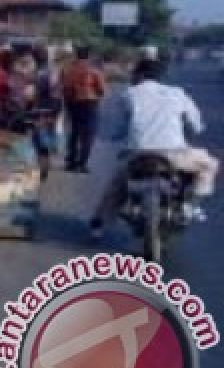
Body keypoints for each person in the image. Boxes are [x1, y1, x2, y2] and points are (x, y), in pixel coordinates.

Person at [90, 59, 218, 239]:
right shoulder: (177, 93)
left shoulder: (129, 94)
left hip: (140, 154)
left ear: (139, 75)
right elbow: (196, 125)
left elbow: (116, 130)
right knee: (209, 165)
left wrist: (118, 139)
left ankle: (98, 224)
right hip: (174, 154)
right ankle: (191, 205)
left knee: (117, 185)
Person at [61, 45, 106, 172]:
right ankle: (82, 163)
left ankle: (71, 161)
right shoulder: (94, 70)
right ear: (88, 55)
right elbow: (102, 89)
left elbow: (65, 87)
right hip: (90, 103)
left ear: (76, 55)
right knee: (88, 134)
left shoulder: (69, 69)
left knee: (74, 132)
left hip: (73, 103)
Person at [30, 45, 62, 181]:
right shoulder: (54, 72)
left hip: (40, 110)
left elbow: (32, 95)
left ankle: (42, 168)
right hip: (53, 110)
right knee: (46, 140)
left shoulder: (37, 74)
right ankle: (44, 167)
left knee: (39, 141)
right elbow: (59, 92)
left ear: (35, 58)